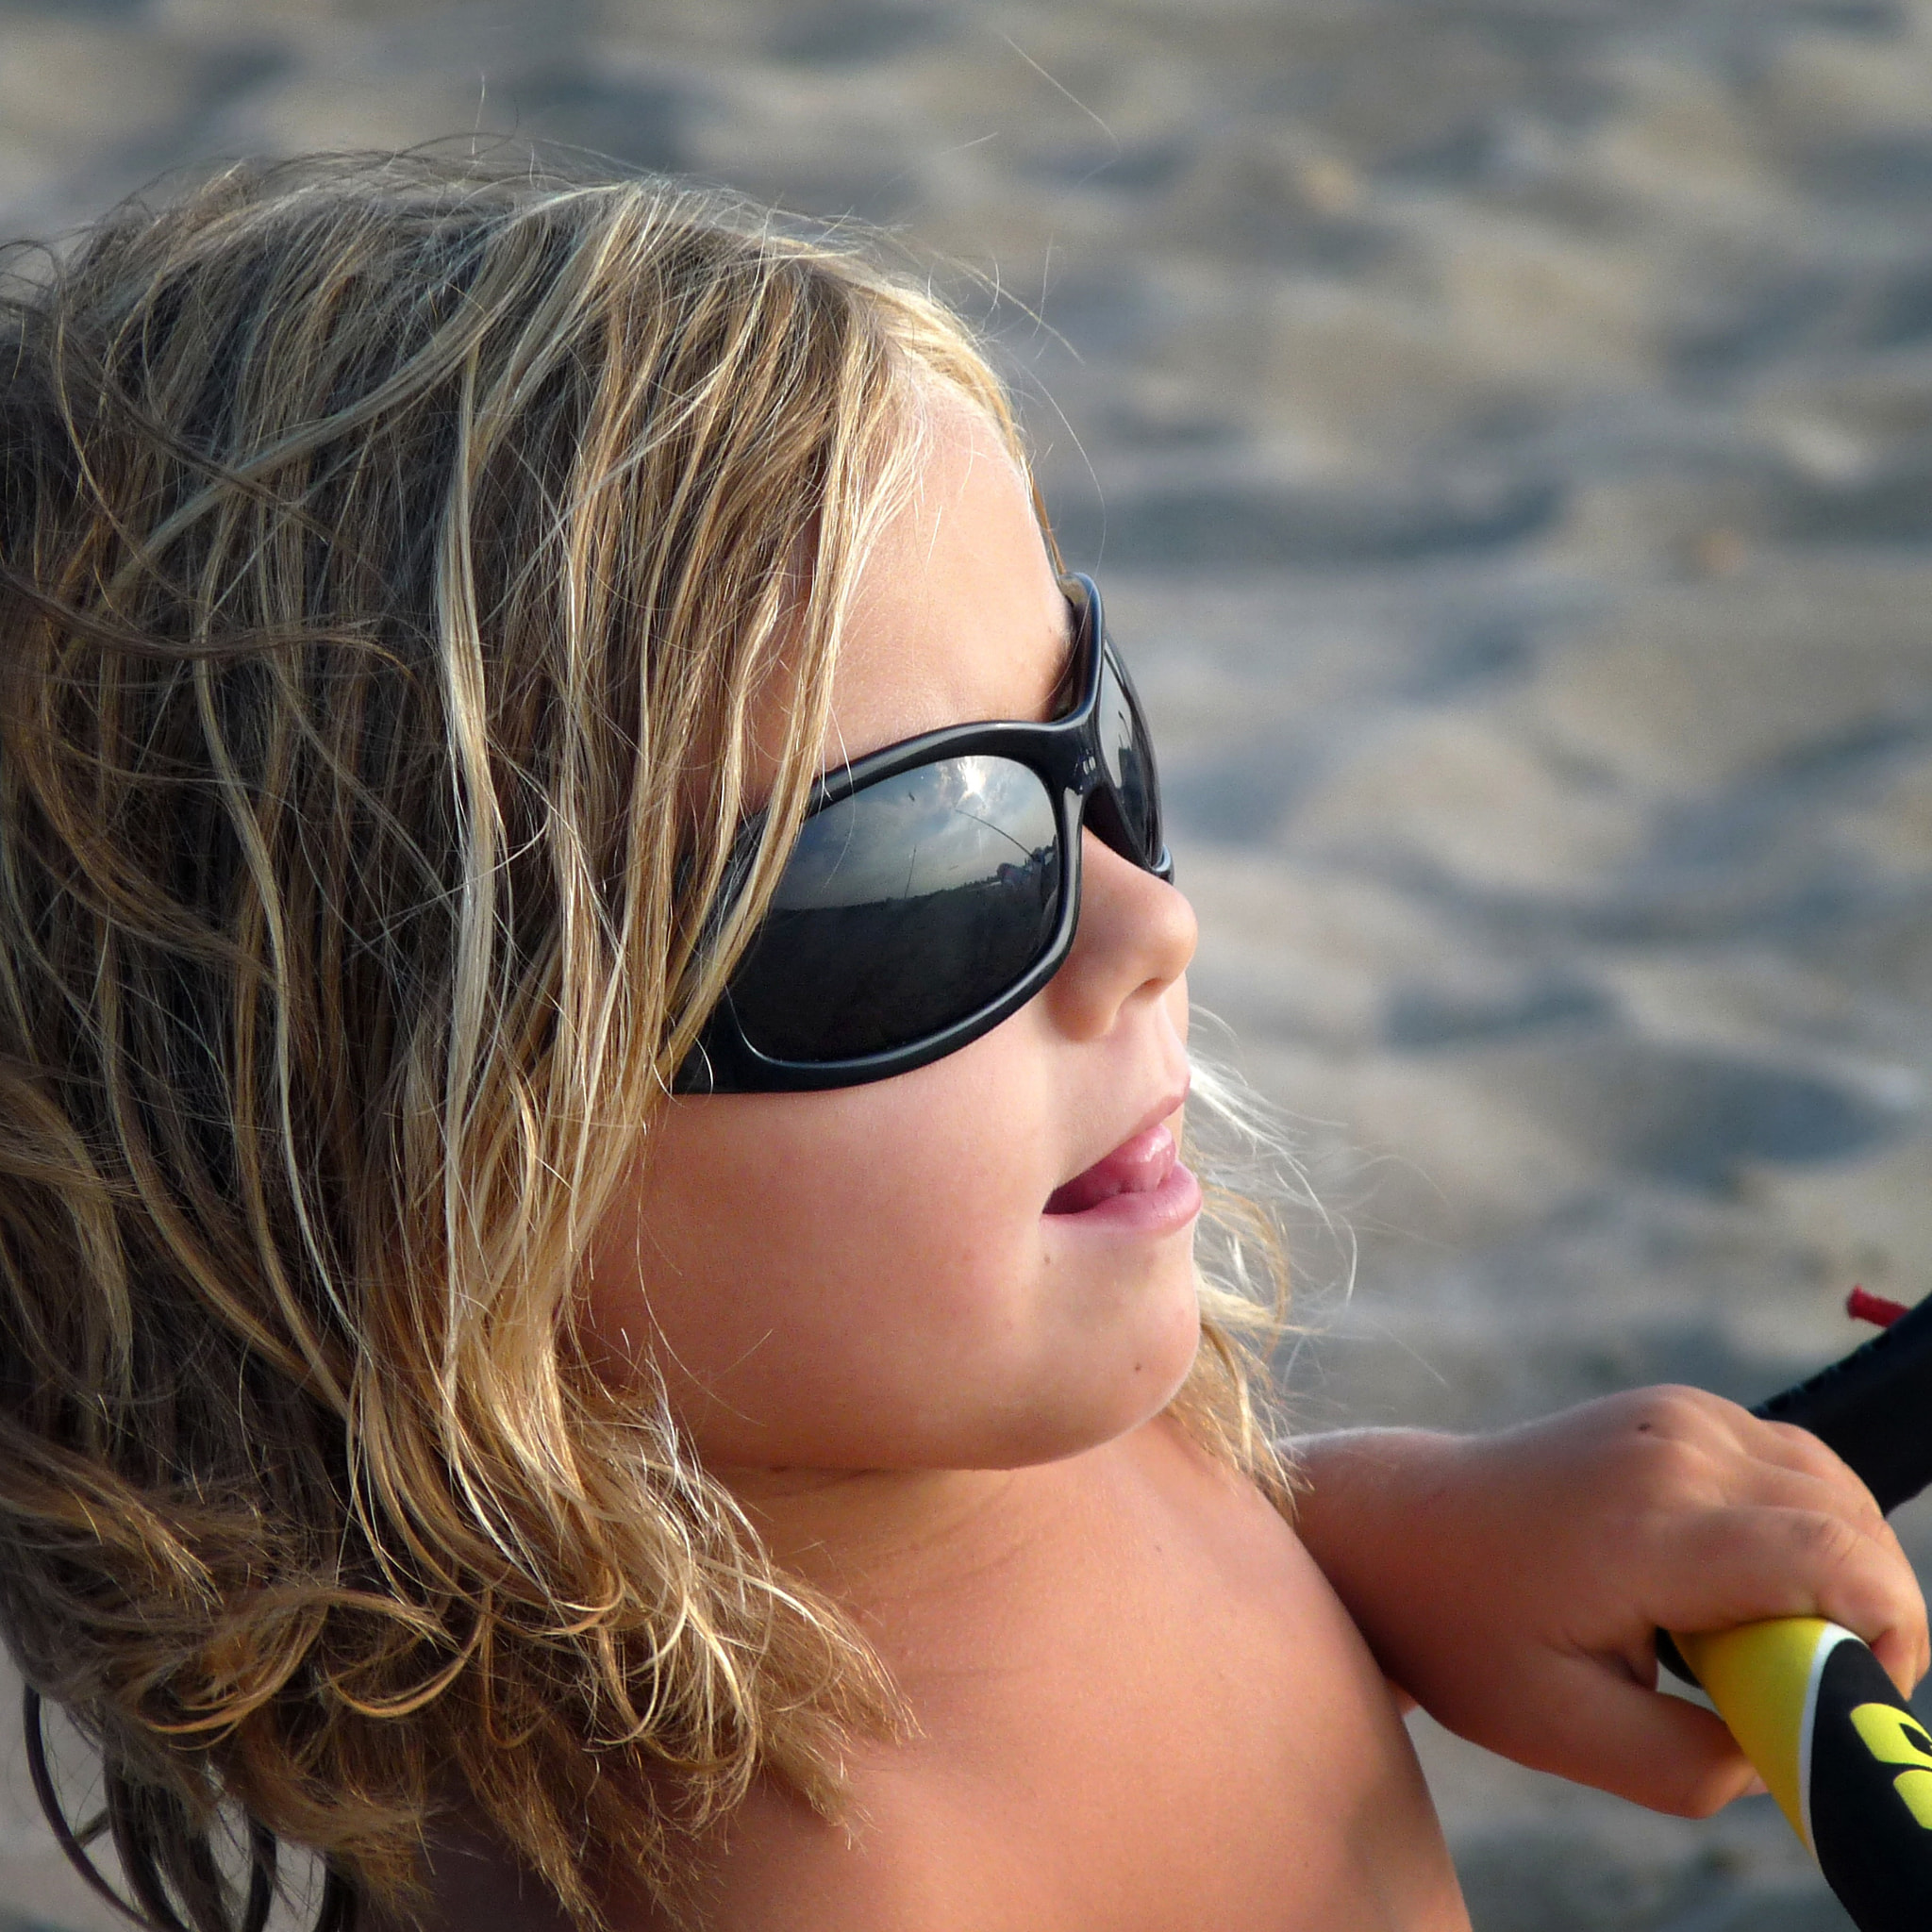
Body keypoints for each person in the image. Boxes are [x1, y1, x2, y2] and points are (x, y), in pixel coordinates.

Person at [0, 151, 1920, 1932]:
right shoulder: (786, 1888)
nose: (1147, 923)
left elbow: (1153, 1583)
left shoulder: (935, 1417)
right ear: (376, 1162)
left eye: (1094, 751)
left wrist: (1424, 1533)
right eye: (919, 871)